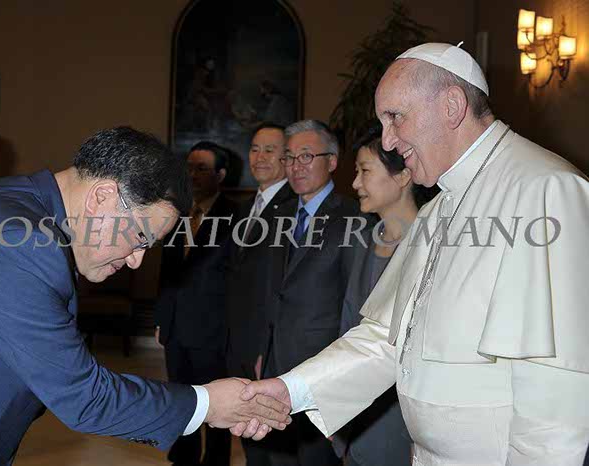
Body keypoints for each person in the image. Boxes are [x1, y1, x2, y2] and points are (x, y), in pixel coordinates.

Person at [238, 43, 589, 465]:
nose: (388, 139)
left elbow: (557, 393)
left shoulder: (546, 189)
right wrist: (290, 390)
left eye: (395, 117)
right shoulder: (437, 209)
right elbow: (385, 340)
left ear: (451, 106)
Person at [0, 126, 291, 466]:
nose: (136, 260)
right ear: (102, 196)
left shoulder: (23, 202)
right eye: (140, 238)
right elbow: (85, 397)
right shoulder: (17, 242)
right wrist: (207, 403)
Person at [256, 120, 362, 466]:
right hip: (275, 365)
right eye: (289, 158)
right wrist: (263, 349)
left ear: (332, 161)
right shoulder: (279, 216)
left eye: (306, 156)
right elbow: (272, 289)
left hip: (322, 368)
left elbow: (354, 305)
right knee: (279, 457)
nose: (295, 167)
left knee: (317, 460)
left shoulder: (354, 217)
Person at [332, 121, 437, 466]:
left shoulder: (432, 246)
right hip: (358, 415)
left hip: (403, 423)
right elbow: (348, 327)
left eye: (364, 171)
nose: (355, 183)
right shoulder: (364, 241)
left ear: (403, 175)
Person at [154, 141, 239, 466]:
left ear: (221, 174)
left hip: (213, 330)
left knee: (217, 403)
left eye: (201, 168)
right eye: (188, 167)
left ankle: (215, 460)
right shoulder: (177, 212)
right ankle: (184, 456)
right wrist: (162, 316)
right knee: (181, 400)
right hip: (176, 327)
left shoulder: (237, 216)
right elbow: (167, 271)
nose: (192, 175)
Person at [225, 123, 296, 466]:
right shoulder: (244, 210)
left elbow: (280, 288)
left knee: (274, 443)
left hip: (266, 347)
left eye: (270, 150)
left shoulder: (295, 208)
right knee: (249, 435)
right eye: (255, 149)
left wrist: (263, 349)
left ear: (287, 158)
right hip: (238, 342)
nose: (260, 157)